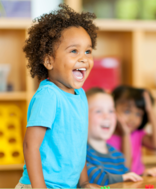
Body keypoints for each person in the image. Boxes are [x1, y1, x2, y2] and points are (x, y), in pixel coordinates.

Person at [15, 4, 101, 189]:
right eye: (73, 51)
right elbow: (31, 146)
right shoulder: (49, 95)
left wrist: (84, 182)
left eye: (88, 51)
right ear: (49, 60)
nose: (84, 58)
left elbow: (78, 147)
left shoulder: (80, 96)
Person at [86, 87, 143, 185]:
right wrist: (121, 178)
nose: (107, 116)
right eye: (98, 111)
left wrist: (143, 176)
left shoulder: (117, 155)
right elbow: (91, 175)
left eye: (111, 111)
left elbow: (128, 177)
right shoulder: (80, 152)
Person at [107, 86, 156, 175]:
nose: (133, 119)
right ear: (112, 108)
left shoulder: (138, 134)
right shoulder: (105, 137)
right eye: (127, 111)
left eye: (138, 114)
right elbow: (125, 170)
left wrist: (150, 111)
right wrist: (125, 134)